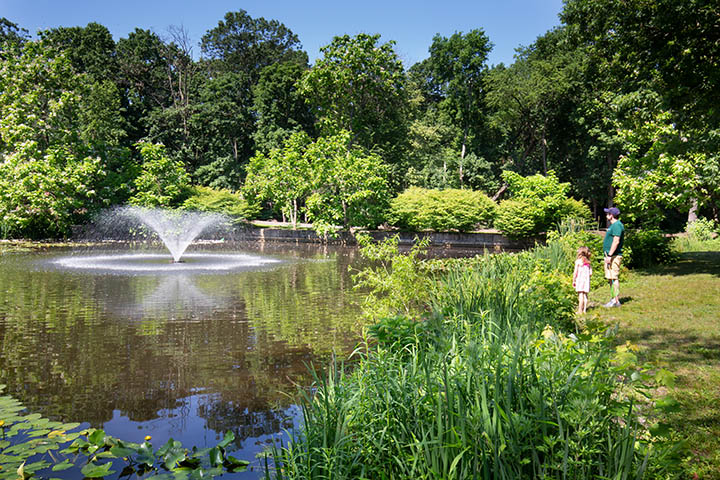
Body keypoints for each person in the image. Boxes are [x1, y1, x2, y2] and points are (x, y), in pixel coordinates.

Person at [602, 207, 624, 307]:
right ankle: (613, 299)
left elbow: (616, 241)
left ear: (612, 215)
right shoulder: (613, 226)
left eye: (608, 213)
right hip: (610, 256)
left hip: (613, 256)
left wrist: (610, 255)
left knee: (614, 277)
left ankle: (615, 301)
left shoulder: (617, 225)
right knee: (610, 278)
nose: (606, 215)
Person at [572, 246, 592, 314]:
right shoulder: (588, 262)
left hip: (580, 280)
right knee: (585, 295)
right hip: (586, 281)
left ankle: (580, 310)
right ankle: (584, 310)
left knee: (580, 295)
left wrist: (574, 280)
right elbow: (590, 273)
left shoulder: (578, 262)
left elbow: (575, 272)